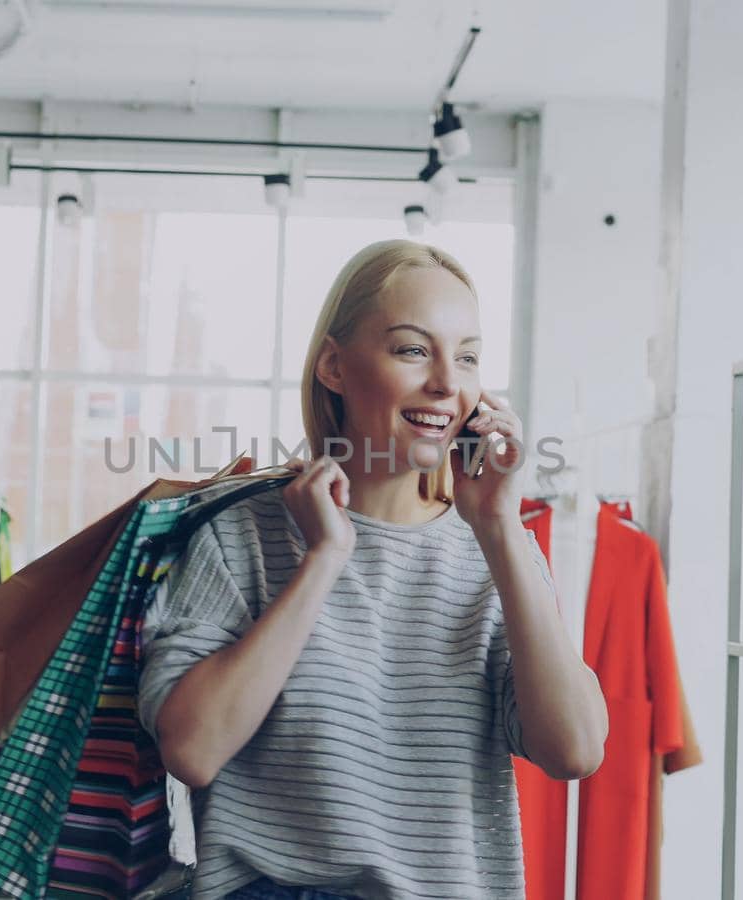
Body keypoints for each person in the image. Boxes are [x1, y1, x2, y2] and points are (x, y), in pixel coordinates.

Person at [137, 239, 608, 899]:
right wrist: (323, 560)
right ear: (334, 364)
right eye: (413, 350)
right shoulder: (240, 533)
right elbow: (191, 749)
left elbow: (577, 750)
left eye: (467, 356)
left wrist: (500, 528)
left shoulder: (498, 546)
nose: (447, 383)